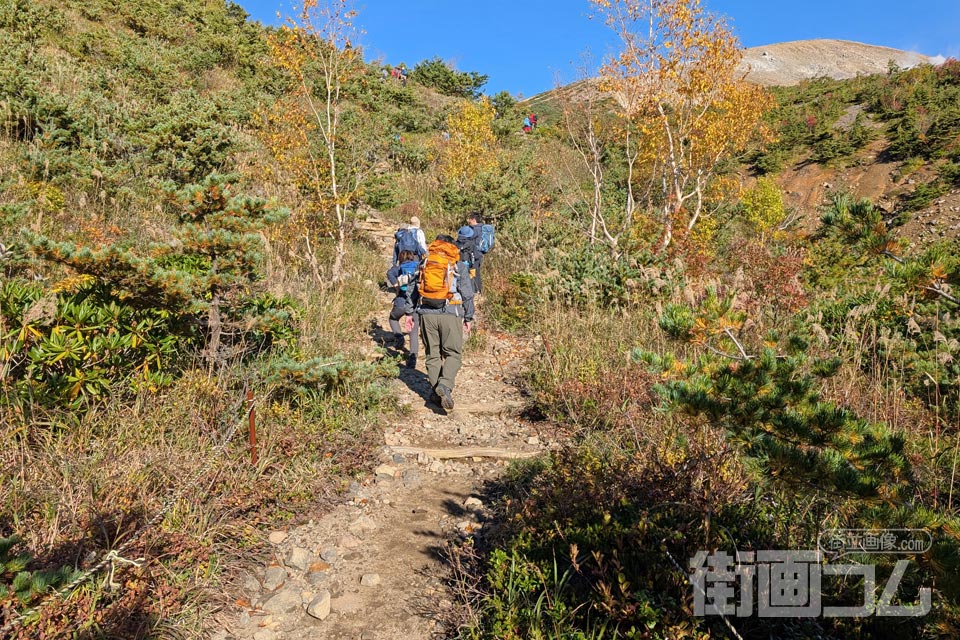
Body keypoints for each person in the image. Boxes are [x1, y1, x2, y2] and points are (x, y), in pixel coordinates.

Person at [416, 234, 475, 411]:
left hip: (426, 313)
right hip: (452, 312)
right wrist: (469, 316)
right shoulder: (457, 263)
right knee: (453, 354)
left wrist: (411, 313)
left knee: (432, 355)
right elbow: (467, 293)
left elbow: (414, 286)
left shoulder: (425, 261)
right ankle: (445, 386)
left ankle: (436, 393)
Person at [386, 250, 421, 368]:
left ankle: (399, 336)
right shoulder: (418, 266)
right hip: (415, 303)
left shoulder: (398, 268)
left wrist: (395, 284)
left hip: (401, 301)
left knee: (393, 318)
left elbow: (389, 273)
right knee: (413, 331)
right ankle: (413, 356)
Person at [465, 212, 485, 294]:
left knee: (474, 272)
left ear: (473, 220)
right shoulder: (481, 228)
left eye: (469, 219)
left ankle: (475, 291)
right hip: (479, 254)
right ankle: (478, 291)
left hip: (474, 254)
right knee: (477, 272)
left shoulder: (474, 230)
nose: (468, 221)